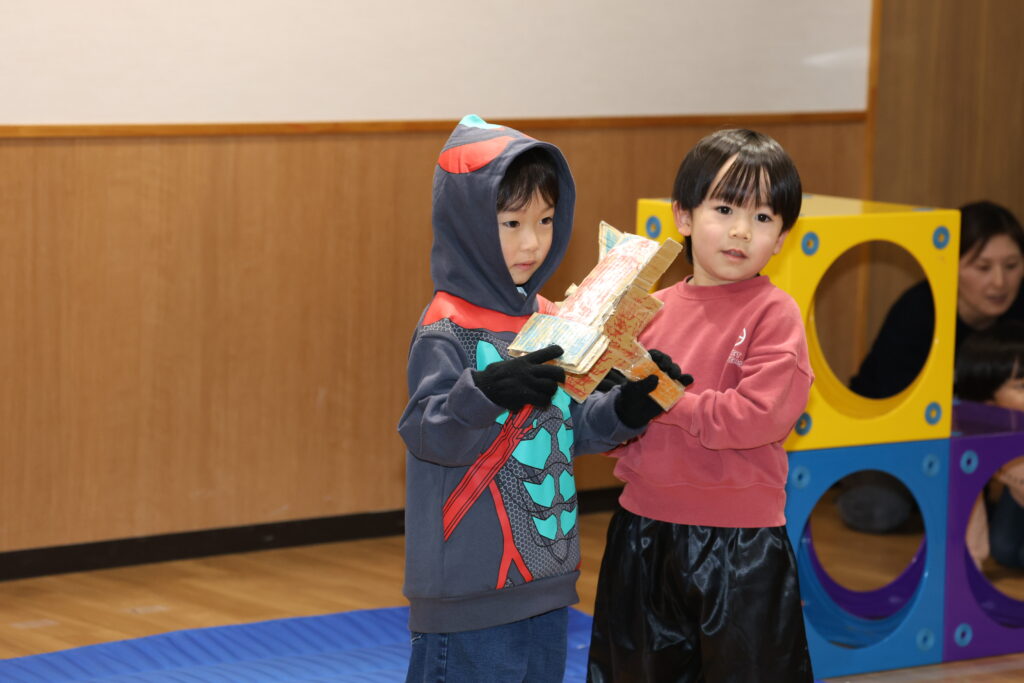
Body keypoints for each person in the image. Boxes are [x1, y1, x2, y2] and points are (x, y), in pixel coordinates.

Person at [397, 115, 676, 683]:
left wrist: (627, 410)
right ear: (469, 225)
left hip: (547, 583)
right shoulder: (445, 328)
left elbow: (571, 428)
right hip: (469, 592)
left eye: (546, 220)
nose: (532, 242)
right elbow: (428, 434)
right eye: (511, 223)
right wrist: (483, 391)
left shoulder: (551, 318)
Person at [586, 129, 815, 682]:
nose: (741, 230)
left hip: (740, 543)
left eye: (763, 217)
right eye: (724, 209)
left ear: (782, 237)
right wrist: (619, 402)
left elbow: (758, 416)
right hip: (643, 531)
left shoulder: (775, 313)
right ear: (683, 216)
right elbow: (606, 424)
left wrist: (666, 399)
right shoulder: (648, 310)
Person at [840, 201, 1024, 533]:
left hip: (986, 438)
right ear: (950, 265)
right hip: (897, 436)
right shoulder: (918, 311)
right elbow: (899, 412)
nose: (999, 282)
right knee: (877, 507)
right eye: (982, 268)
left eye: (1011, 265)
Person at [955, 320, 1024, 570]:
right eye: (1021, 386)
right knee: (1004, 549)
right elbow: (968, 496)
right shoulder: (978, 434)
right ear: (988, 403)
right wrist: (971, 561)